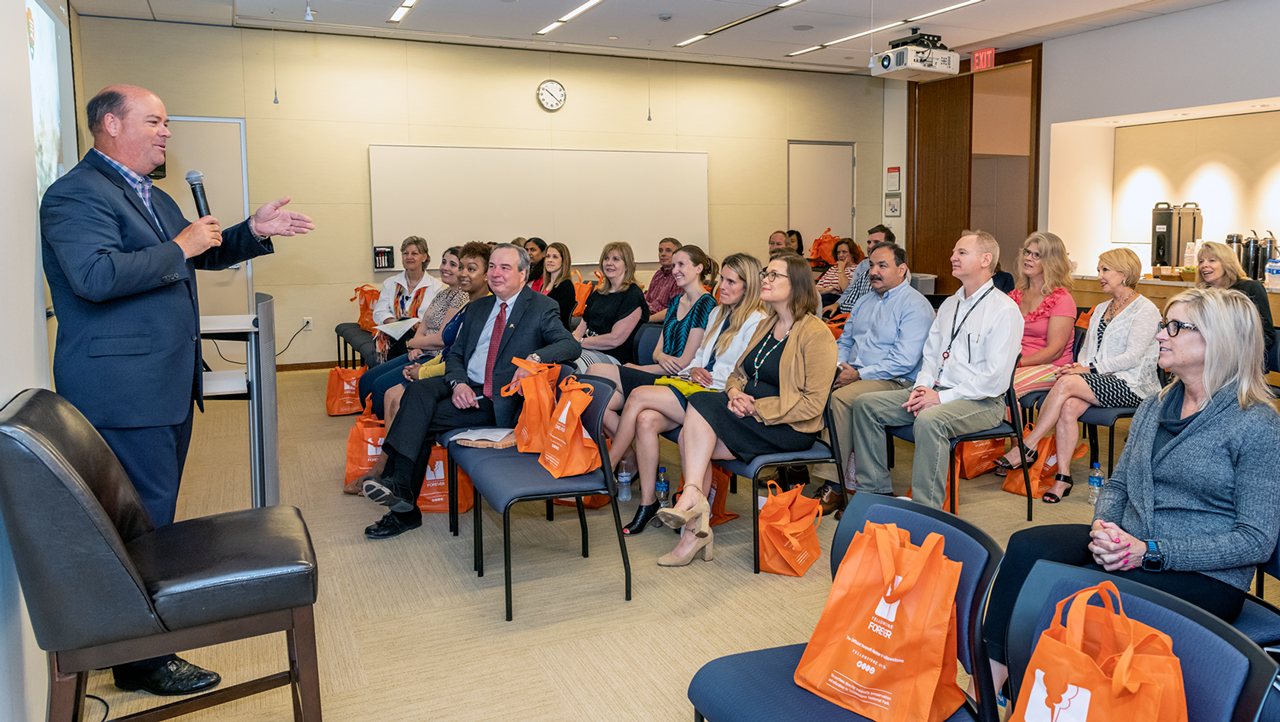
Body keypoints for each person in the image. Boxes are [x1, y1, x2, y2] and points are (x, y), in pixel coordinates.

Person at [40, 84, 314, 696]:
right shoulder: (75, 195)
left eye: (166, 123)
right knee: (138, 522)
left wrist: (251, 229)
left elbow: (201, 254)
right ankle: (141, 659)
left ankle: (132, 642)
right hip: (122, 390)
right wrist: (179, 245)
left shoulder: (148, 194)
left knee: (149, 517)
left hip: (158, 385)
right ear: (110, 124)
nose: (166, 132)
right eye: (155, 121)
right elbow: (94, 275)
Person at [981, 287, 1280, 701]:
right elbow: (1119, 484)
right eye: (1163, 326)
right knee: (1028, 545)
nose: (1161, 335)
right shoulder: (1157, 404)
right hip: (1132, 542)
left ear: (1218, 339)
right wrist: (1106, 528)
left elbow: (1256, 540)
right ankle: (995, 683)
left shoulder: (1256, 422)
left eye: (1175, 327)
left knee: (1079, 593)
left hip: (1202, 573)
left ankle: (1052, 694)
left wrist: (1150, 552)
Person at [361, 244, 581, 538]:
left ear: (523, 273)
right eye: (492, 266)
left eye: (505, 267)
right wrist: (458, 382)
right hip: (466, 384)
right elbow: (455, 355)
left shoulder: (540, 307)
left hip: (496, 398)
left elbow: (570, 345)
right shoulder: (477, 307)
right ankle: (400, 490)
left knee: (418, 417)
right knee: (417, 392)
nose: (496, 273)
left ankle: (402, 501)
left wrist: (535, 359)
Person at [656, 252, 837, 566]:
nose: (765, 280)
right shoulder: (767, 324)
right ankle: (694, 516)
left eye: (773, 276)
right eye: (766, 274)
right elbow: (738, 372)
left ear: (795, 285)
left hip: (788, 428)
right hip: (747, 415)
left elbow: (812, 404)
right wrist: (736, 392)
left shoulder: (816, 333)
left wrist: (757, 407)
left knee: (694, 425)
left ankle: (693, 505)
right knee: (693, 425)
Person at [849, 231, 1023, 508]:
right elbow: (931, 355)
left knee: (931, 420)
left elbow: (995, 379)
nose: (952, 257)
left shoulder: (1004, 310)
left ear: (985, 259)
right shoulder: (951, 304)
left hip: (982, 401)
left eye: (962, 253)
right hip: (937, 391)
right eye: (954, 252)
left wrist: (939, 398)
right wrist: (923, 386)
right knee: (866, 406)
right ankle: (874, 492)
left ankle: (926, 510)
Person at [609, 254, 768, 535]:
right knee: (645, 419)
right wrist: (694, 370)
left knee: (637, 398)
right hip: (693, 385)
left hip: (715, 397)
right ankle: (647, 504)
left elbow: (736, 373)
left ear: (749, 285)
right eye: (722, 280)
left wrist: (700, 377)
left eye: (732, 282)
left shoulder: (757, 321)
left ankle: (605, 469)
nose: (724, 287)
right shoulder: (719, 312)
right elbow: (700, 358)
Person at [996, 248, 1160, 503]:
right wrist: (1078, 366)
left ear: (1125, 273)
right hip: (1101, 380)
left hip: (1132, 384)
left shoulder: (1144, 309)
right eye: (1098, 270)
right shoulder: (1102, 308)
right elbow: (1087, 351)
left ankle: (1028, 444)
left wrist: (1087, 369)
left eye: (1105, 270)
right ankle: (1063, 477)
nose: (1099, 276)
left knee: (1066, 383)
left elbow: (1133, 357)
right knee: (1069, 406)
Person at [815, 242, 935, 516]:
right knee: (813, 387)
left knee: (841, 400)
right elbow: (845, 341)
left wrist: (857, 374)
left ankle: (835, 486)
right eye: (871, 265)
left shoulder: (915, 305)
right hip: (855, 373)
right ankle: (803, 470)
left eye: (883, 265)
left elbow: (903, 360)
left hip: (897, 381)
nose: (874, 271)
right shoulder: (864, 301)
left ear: (902, 270)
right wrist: (840, 366)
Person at [587, 245, 718, 435]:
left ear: (698, 268)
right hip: (660, 371)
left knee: (594, 370)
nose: (675, 270)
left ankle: (619, 458)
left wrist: (639, 368)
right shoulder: (675, 302)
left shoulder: (706, 304)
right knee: (597, 398)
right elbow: (658, 351)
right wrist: (660, 357)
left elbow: (683, 364)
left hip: (675, 380)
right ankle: (628, 460)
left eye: (681, 264)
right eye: (673, 265)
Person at [357, 245, 468, 423]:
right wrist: (416, 346)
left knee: (379, 387)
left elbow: (442, 339)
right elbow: (423, 326)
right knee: (366, 380)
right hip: (422, 349)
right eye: (444, 262)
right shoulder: (443, 293)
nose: (445, 267)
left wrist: (413, 344)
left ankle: (386, 434)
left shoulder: (462, 296)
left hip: (436, 356)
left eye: (453, 264)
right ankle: (373, 427)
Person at [1006, 232, 1077, 400]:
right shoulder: (1015, 296)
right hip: (1017, 364)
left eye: (1037, 255)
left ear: (1051, 262)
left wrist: (1016, 364)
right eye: (1027, 252)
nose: (1028, 258)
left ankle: (1010, 427)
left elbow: (1055, 351)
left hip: (1052, 367)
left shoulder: (1062, 299)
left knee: (1002, 386)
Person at [574, 242, 649, 368]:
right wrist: (570, 342)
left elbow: (615, 340)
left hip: (614, 357)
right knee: (555, 360)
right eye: (606, 258)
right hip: (588, 349)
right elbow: (580, 329)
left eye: (616, 259)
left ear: (627, 265)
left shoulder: (632, 295)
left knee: (572, 365)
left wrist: (580, 343)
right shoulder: (599, 292)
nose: (609, 263)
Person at [371, 236, 443, 364]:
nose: (409, 257)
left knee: (407, 337)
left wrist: (415, 326)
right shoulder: (390, 283)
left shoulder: (436, 287)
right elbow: (379, 312)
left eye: (414, 253)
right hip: (393, 335)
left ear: (424, 257)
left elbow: (436, 320)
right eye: (405, 253)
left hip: (422, 336)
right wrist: (398, 324)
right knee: (403, 335)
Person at [1196, 240, 1275, 356]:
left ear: (1227, 263)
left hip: (1243, 357)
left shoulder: (1251, 288)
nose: (1204, 265)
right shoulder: (1201, 294)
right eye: (1201, 261)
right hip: (1209, 356)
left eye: (1212, 260)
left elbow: (1267, 334)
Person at [825, 224, 895, 317]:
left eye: (876, 242)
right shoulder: (863, 265)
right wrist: (837, 304)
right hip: (854, 310)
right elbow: (850, 290)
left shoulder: (896, 269)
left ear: (889, 246)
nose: (870, 246)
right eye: (869, 242)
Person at [540, 241, 577, 329]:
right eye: (547, 256)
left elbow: (559, 316)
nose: (550, 260)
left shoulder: (566, 286)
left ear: (564, 261)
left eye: (555, 257)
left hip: (555, 332)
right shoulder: (544, 286)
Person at [646, 237, 683, 323]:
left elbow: (674, 310)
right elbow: (647, 301)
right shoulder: (658, 274)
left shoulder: (679, 276)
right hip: (648, 316)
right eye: (660, 250)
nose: (663, 254)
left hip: (662, 322)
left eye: (668, 250)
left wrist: (646, 320)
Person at [815, 238, 858, 308]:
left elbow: (846, 290)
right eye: (838, 252)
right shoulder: (832, 269)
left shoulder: (856, 269)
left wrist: (841, 269)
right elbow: (815, 289)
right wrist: (828, 290)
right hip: (823, 297)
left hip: (839, 302)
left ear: (852, 254)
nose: (840, 255)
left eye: (844, 252)